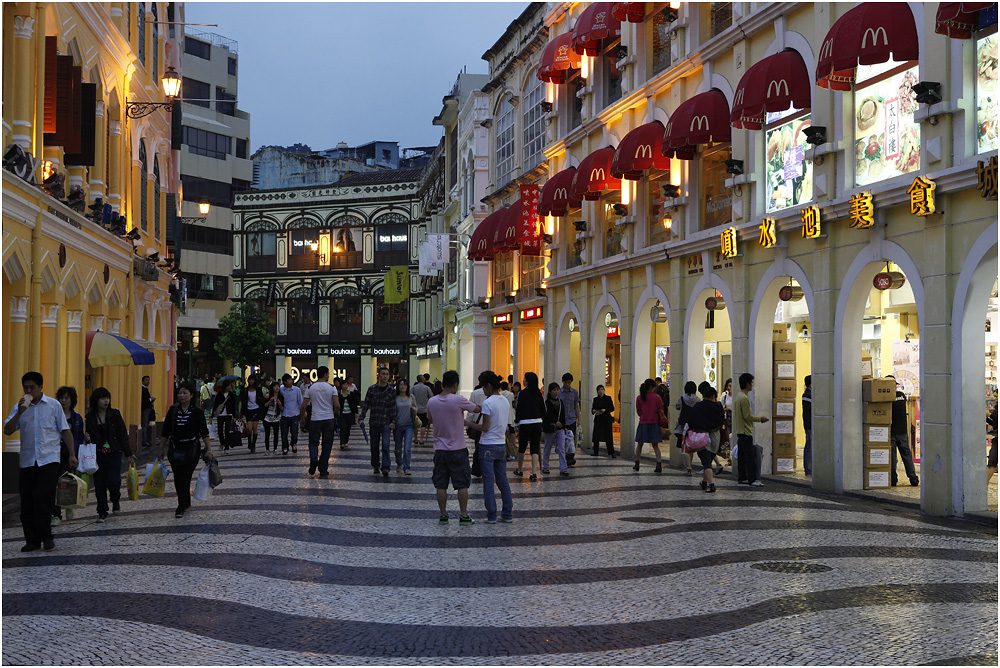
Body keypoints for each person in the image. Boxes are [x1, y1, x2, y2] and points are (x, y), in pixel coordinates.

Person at [5, 372, 76, 552]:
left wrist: (72, 455)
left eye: (32, 387)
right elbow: (8, 430)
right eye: (26, 387)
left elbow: (65, 431)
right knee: (27, 501)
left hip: (49, 459)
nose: (29, 391)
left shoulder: (53, 405)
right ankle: (32, 540)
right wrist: (19, 413)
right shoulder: (20, 407)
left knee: (43, 497)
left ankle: (46, 536)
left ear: (40, 387)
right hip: (28, 461)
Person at [426, 370, 479, 525]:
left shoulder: (432, 402)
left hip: (440, 450)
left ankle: (443, 514)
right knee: (462, 484)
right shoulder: (458, 400)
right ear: (456, 384)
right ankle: (463, 515)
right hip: (458, 449)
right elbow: (476, 409)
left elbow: (429, 419)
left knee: (441, 484)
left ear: (442, 384)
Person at [465, 371, 513, 523]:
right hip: (500, 445)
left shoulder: (488, 403)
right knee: (502, 481)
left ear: (489, 386)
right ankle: (507, 513)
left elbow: (485, 427)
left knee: (488, 481)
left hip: (487, 446)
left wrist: (468, 423)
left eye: (484, 387)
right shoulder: (505, 400)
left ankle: (492, 515)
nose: (483, 391)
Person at [160, 381, 213, 518]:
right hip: (175, 449)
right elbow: (165, 432)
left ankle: (180, 506)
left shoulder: (197, 412)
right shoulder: (173, 411)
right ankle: (185, 502)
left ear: (191, 395)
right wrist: (161, 449)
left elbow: (204, 432)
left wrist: (209, 449)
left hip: (192, 450)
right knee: (178, 478)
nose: (182, 395)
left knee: (185, 477)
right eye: (180, 393)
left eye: (185, 393)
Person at [84, 387, 134, 522]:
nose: (106, 401)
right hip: (98, 454)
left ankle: (115, 500)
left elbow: (122, 434)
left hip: (114, 453)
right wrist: (87, 438)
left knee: (114, 481)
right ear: (96, 400)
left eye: (107, 398)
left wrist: (128, 453)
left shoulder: (114, 414)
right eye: (102, 398)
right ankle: (102, 511)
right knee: (99, 483)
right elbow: (87, 435)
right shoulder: (89, 417)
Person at [51, 386, 85, 526]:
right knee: (54, 484)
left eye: (67, 398)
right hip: (55, 452)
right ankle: (55, 514)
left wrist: (77, 455)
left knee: (65, 481)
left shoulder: (76, 418)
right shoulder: (54, 416)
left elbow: (80, 437)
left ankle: (69, 504)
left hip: (70, 454)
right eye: (61, 398)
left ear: (72, 400)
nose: (64, 401)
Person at [301, 367, 339, 478]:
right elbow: (337, 405)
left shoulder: (311, 388)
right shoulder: (332, 388)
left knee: (313, 442)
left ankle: (313, 459)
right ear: (326, 374)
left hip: (315, 418)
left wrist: (302, 419)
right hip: (328, 418)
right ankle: (323, 469)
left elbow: (303, 406)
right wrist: (335, 413)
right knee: (327, 444)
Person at [359, 367, 397, 476]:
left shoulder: (391, 391)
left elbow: (393, 407)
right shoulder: (372, 389)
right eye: (383, 374)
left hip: (385, 421)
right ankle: (375, 465)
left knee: (386, 445)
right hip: (374, 421)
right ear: (379, 375)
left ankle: (386, 467)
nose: (385, 376)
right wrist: (361, 417)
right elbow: (366, 404)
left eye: (387, 374)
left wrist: (394, 421)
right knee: (374, 445)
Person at [688, 383, 725, 493]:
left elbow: (692, 421)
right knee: (708, 460)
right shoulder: (718, 406)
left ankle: (711, 485)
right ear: (714, 396)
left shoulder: (698, 406)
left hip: (701, 437)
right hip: (715, 437)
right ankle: (704, 483)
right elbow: (721, 421)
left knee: (706, 463)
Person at [735, 373, 769, 487]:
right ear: (747, 383)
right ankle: (753, 479)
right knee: (750, 456)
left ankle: (742, 476)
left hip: (740, 431)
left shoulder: (738, 397)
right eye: (751, 382)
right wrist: (761, 419)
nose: (752, 385)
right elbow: (747, 416)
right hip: (746, 431)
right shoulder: (744, 399)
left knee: (742, 456)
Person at [886, 375, 919, 487]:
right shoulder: (901, 395)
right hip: (903, 432)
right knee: (907, 457)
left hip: (891, 432)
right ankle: (913, 479)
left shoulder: (886, 398)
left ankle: (893, 480)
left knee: (892, 458)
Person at [514, 372, 545, 481]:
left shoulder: (522, 394)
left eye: (524, 378)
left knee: (522, 448)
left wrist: (516, 422)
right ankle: (533, 472)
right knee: (534, 448)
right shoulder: (538, 393)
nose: (523, 380)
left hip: (524, 423)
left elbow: (519, 409)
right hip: (537, 423)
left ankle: (520, 469)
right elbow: (543, 408)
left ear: (527, 381)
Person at [634, 379, 664, 473]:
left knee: (639, 445)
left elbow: (639, 412)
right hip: (654, 423)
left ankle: (637, 463)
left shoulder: (639, 397)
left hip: (643, 423)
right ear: (651, 387)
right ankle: (658, 464)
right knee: (655, 446)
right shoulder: (657, 397)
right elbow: (661, 409)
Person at [391, 378, 417, 475]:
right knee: (398, 449)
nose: (403, 387)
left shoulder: (411, 397)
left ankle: (407, 467)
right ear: (398, 386)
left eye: (404, 385)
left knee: (407, 448)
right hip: (398, 426)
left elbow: (415, 407)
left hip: (409, 425)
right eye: (401, 385)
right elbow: (392, 411)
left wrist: (414, 409)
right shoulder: (395, 398)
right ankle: (399, 463)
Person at [674, 381, 700, 475]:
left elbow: (677, 407)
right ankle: (690, 465)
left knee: (684, 447)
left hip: (683, 427)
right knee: (691, 447)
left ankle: (688, 467)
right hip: (693, 426)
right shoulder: (698, 400)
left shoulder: (681, 398)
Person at [542, 382, 568, 476]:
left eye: (557, 390)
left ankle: (563, 468)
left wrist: (564, 426)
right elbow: (547, 415)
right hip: (550, 428)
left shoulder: (560, 402)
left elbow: (563, 415)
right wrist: (555, 422)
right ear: (550, 391)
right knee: (547, 448)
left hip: (560, 429)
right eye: (554, 390)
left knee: (561, 448)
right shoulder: (547, 403)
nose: (556, 392)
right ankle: (545, 467)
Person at [559, 373, 581, 466]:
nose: (567, 384)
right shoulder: (559, 392)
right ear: (563, 382)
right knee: (562, 440)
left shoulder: (575, 392)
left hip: (571, 419)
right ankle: (564, 458)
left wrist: (579, 419)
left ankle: (570, 459)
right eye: (565, 382)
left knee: (572, 441)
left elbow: (576, 406)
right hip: (562, 420)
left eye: (569, 382)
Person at [240, 376, 267, 453]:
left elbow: (261, 398)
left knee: (255, 428)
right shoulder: (246, 390)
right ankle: (249, 442)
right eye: (250, 380)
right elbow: (243, 400)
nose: (251, 381)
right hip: (248, 410)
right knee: (249, 428)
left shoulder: (258, 390)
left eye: (252, 380)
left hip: (256, 409)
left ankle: (253, 445)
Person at [278, 374, 303, 455]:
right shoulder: (281, 389)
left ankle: (293, 443)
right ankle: (285, 447)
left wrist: (299, 412)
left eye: (291, 379)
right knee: (284, 433)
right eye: (288, 380)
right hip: (284, 414)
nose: (290, 381)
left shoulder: (297, 390)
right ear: (285, 381)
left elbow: (300, 402)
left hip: (294, 414)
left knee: (295, 432)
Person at [213, 379, 238, 452]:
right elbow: (215, 404)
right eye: (229, 385)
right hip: (220, 414)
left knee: (227, 431)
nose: (230, 387)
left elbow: (234, 406)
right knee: (220, 431)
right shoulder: (220, 394)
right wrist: (212, 415)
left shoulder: (231, 395)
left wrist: (234, 416)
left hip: (228, 414)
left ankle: (226, 447)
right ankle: (222, 443)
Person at [591, 384, 616, 457]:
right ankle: (595, 451)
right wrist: (594, 411)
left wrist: (605, 410)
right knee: (596, 436)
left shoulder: (608, 398)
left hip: (606, 419)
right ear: (597, 391)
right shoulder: (595, 399)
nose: (600, 391)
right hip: (598, 419)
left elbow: (612, 408)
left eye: (602, 389)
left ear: (604, 390)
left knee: (608, 436)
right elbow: (592, 408)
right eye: (599, 390)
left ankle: (611, 452)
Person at [412, 373, 433, 447]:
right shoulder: (427, 388)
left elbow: (410, 396)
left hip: (415, 409)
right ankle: (421, 439)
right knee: (424, 424)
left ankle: (415, 439)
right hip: (424, 409)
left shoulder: (414, 388)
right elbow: (431, 397)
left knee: (416, 425)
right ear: (423, 379)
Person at [339, 377, 359, 451]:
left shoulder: (351, 394)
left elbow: (354, 404)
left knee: (348, 428)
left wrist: (356, 412)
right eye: (343, 384)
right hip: (342, 414)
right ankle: (342, 442)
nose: (345, 386)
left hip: (349, 414)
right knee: (342, 428)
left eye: (346, 384)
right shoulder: (339, 395)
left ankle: (346, 441)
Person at [262, 381, 282, 452]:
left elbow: (282, 408)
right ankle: (267, 449)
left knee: (276, 434)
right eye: (275, 386)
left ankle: (275, 448)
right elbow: (264, 405)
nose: (277, 388)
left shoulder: (280, 396)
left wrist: (280, 405)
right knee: (267, 434)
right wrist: (270, 401)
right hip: (267, 417)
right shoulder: (268, 395)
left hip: (276, 417)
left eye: (278, 386)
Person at [499, 381, 516, 461]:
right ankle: (512, 452)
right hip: (510, 416)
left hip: (502, 417)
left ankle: (506, 452)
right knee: (511, 436)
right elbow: (513, 405)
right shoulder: (511, 394)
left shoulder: (499, 394)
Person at [140, 375, 156, 449]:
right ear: (142, 381)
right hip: (144, 409)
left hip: (147, 409)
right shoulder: (142, 389)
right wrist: (150, 400)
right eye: (146, 380)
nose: (148, 381)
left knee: (146, 424)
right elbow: (143, 400)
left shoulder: (146, 389)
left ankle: (145, 439)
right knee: (144, 424)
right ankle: (144, 439)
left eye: (149, 380)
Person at [802, 375, 813, 476]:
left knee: (809, 445)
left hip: (808, 424)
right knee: (810, 446)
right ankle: (808, 468)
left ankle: (809, 468)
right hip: (810, 425)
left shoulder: (807, 394)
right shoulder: (809, 396)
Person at [987, 391, 997, 484]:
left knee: (992, 462)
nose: (996, 398)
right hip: (996, 439)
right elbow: (995, 424)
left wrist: (989, 415)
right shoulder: (996, 408)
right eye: (994, 396)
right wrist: (987, 419)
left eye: (997, 396)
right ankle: (984, 484)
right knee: (991, 462)